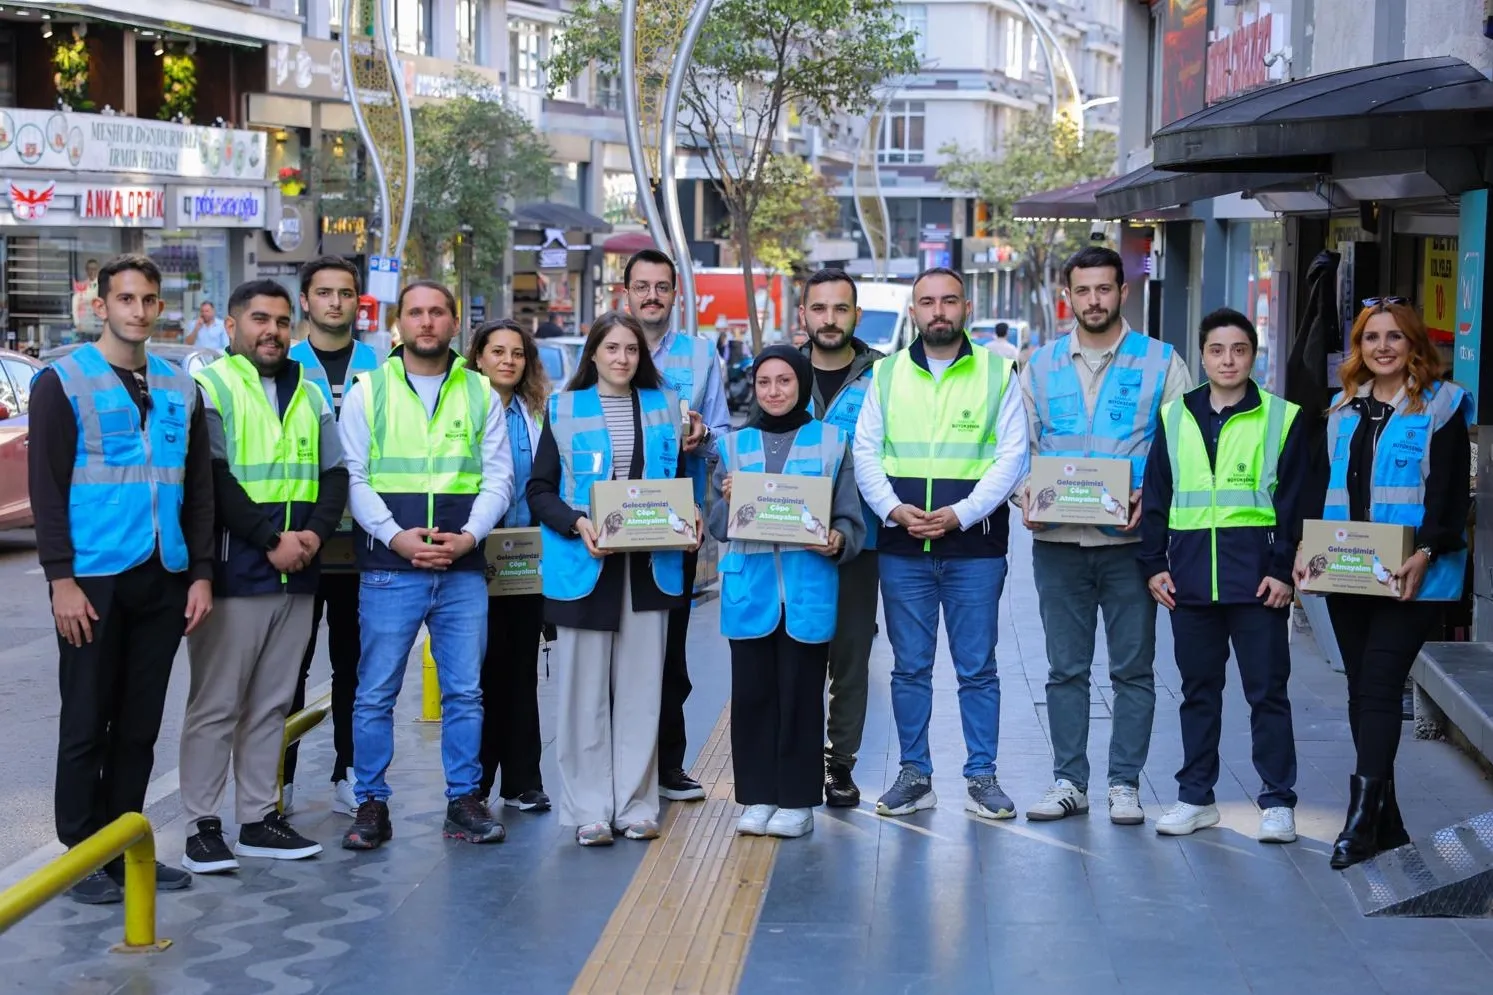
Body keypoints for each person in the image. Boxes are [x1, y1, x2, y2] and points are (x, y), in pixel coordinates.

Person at [28, 254, 214, 903]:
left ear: (160, 306)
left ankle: (124, 848)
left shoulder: (180, 386)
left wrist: (200, 574)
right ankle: (82, 857)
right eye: (126, 298)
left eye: (148, 299)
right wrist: (60, 580)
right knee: (86, 722)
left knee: (139, 727)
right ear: (101, 305)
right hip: (92, 581)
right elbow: (46, 488)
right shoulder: (62, 381)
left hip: (163, 577)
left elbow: (197, 489)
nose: (138, 310)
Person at [1295, 298, 1471, 870]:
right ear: (1359, 348)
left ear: (1413, 343)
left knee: (1378, 682)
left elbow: (1451, 494)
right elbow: (1322, 489)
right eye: (1371, 337)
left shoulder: (1443, 405)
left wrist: (1425, 552)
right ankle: (1386, 821)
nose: (1383, 347)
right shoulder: (1342, 410)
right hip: (1349, 570)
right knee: (1361, 688)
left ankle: (1359, 818)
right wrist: (1305, 550)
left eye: (1395, 336)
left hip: (1414, 575)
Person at [178, 281, 349, 872]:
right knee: (215, 706)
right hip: (237, 571)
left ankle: (257, 819)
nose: (271, 331)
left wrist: (312, 538)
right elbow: (212, 477)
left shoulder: (311, 391)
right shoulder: (212, 385)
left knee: (272, 705)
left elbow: (335, 474)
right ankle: (201, 827)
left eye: (280, 321)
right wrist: (272, 541)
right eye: (259, 319)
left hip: (297, 573)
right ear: (231, 327)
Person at [1019, 246, 1192, 826]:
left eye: (1104, 289)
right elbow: (1019, 447)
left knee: (1133, 671)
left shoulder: (1162, 362)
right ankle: (1070, 782)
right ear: (1068, 296)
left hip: (1130, 548)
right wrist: (1026, 496)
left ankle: (1124, 784)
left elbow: (1182, 451)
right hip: (1058, 544)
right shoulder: (1040, 365)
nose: (1093, 300)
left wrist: (1153, 502)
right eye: (1083, 290)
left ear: (1123, 292)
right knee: (1065, 670)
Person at [340, 280, 514, 850]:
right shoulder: (369, 390)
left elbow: (499, 478)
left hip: (461, 569)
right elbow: (354, 477)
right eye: (415, 312)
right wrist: (396, 537)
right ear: (400, 323)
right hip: (390, 568)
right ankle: (370, 803)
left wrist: (467, 539)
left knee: (466, 693)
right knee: (375, 693)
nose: (427, 321)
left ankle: (464, 800)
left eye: (438, 312)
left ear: (455, 322)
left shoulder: (479, 391)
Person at [852, 267, 1029, 820]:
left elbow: (1012, 456)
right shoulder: (885, 374)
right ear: (914, 311)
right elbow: (865, 451)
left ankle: (982, 777)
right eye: (927, 302)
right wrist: (892, 509)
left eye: (949, 301)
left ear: (966, 307)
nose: (938, 311)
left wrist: (960, 514)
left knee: (978, 668)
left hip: (975, 548)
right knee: (909, 668)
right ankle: (915, 775)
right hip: (903, 545)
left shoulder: (998, 373)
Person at [1138, 308, 1307, 844]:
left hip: (1258, 584)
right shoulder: (1174, 416)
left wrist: (1283, 572)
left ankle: (1277, 802)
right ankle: (1195, 798)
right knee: (1198, 694)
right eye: (1216, 350)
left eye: (1239, 350)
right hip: (1190, 582)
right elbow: (1157, 496)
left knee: (1267, 694)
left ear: (1253, 355)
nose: (1228, 360)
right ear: (1203, 356)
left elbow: (1295, 504)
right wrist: (1154, 564)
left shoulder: (1282, 417)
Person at [527, 311, 694, 846]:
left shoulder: (665, 407)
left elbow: (679, 482)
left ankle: (637, 805)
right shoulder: (563, 408)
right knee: (583, 694)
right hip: (586, 566)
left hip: (649, 568)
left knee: (644, 691)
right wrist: (577, 523)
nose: (622, 358)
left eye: (631, 349)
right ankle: (589, 809)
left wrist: (690, 517)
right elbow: (540, 490)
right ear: (593, 354)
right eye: (612, 348)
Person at [712, 346, 865, 838]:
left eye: (784, 381)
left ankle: (798, 802)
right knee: (752, 698)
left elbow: (849, 518)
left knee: (800, 698)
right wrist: (728, 499)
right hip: (750, 592)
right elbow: (716, 524)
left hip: (806, 589)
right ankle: (757, 796)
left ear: (801, 385)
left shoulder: (832, 442)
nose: (774, 391)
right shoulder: (732, 447)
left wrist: (838, 539)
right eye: (764, 382)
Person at [750, 268, 884, 807]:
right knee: (796, 658)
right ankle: (795, 760)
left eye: (841, 308)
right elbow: (752, 444)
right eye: (820, 308)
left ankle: (840, 764)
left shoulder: (884, 377)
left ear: (856, 315)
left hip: (858, 542)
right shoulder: (782, 372)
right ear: (803, 314)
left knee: (850, 660)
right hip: (785, 547)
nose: (830, 319)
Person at [623, 248, 729, 803]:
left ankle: (668, 763)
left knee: (671, 645)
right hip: (614, 523)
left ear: (675, 294)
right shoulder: (609, 344)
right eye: (642, 286)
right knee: (617, 646)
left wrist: (703, 435)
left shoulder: (701, 354)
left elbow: (723, 436)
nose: (652, 296)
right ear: (625, 293)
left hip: (675, 526)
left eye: (661, 287)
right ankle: (620, 766)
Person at [283, 255, 383, 817]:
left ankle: (349, 772)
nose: (335, 303)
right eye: (324, 293)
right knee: (287, 670)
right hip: (301, 541)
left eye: (345, 293)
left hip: (365, 544)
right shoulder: (285, 363)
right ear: (306, 301)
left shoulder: (381, 366)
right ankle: (280, 779)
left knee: (356, 667)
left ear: (357, 302)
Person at [468, 318, 551, 812]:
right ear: (478, 357)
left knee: (521, 671)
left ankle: (522, 781)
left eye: (517, 353)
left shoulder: (536, 412)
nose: (508, 361)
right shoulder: (463, 408)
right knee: (477, 675)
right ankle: (473, 784)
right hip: (473, 559)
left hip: (526, 561)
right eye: (497, 351)